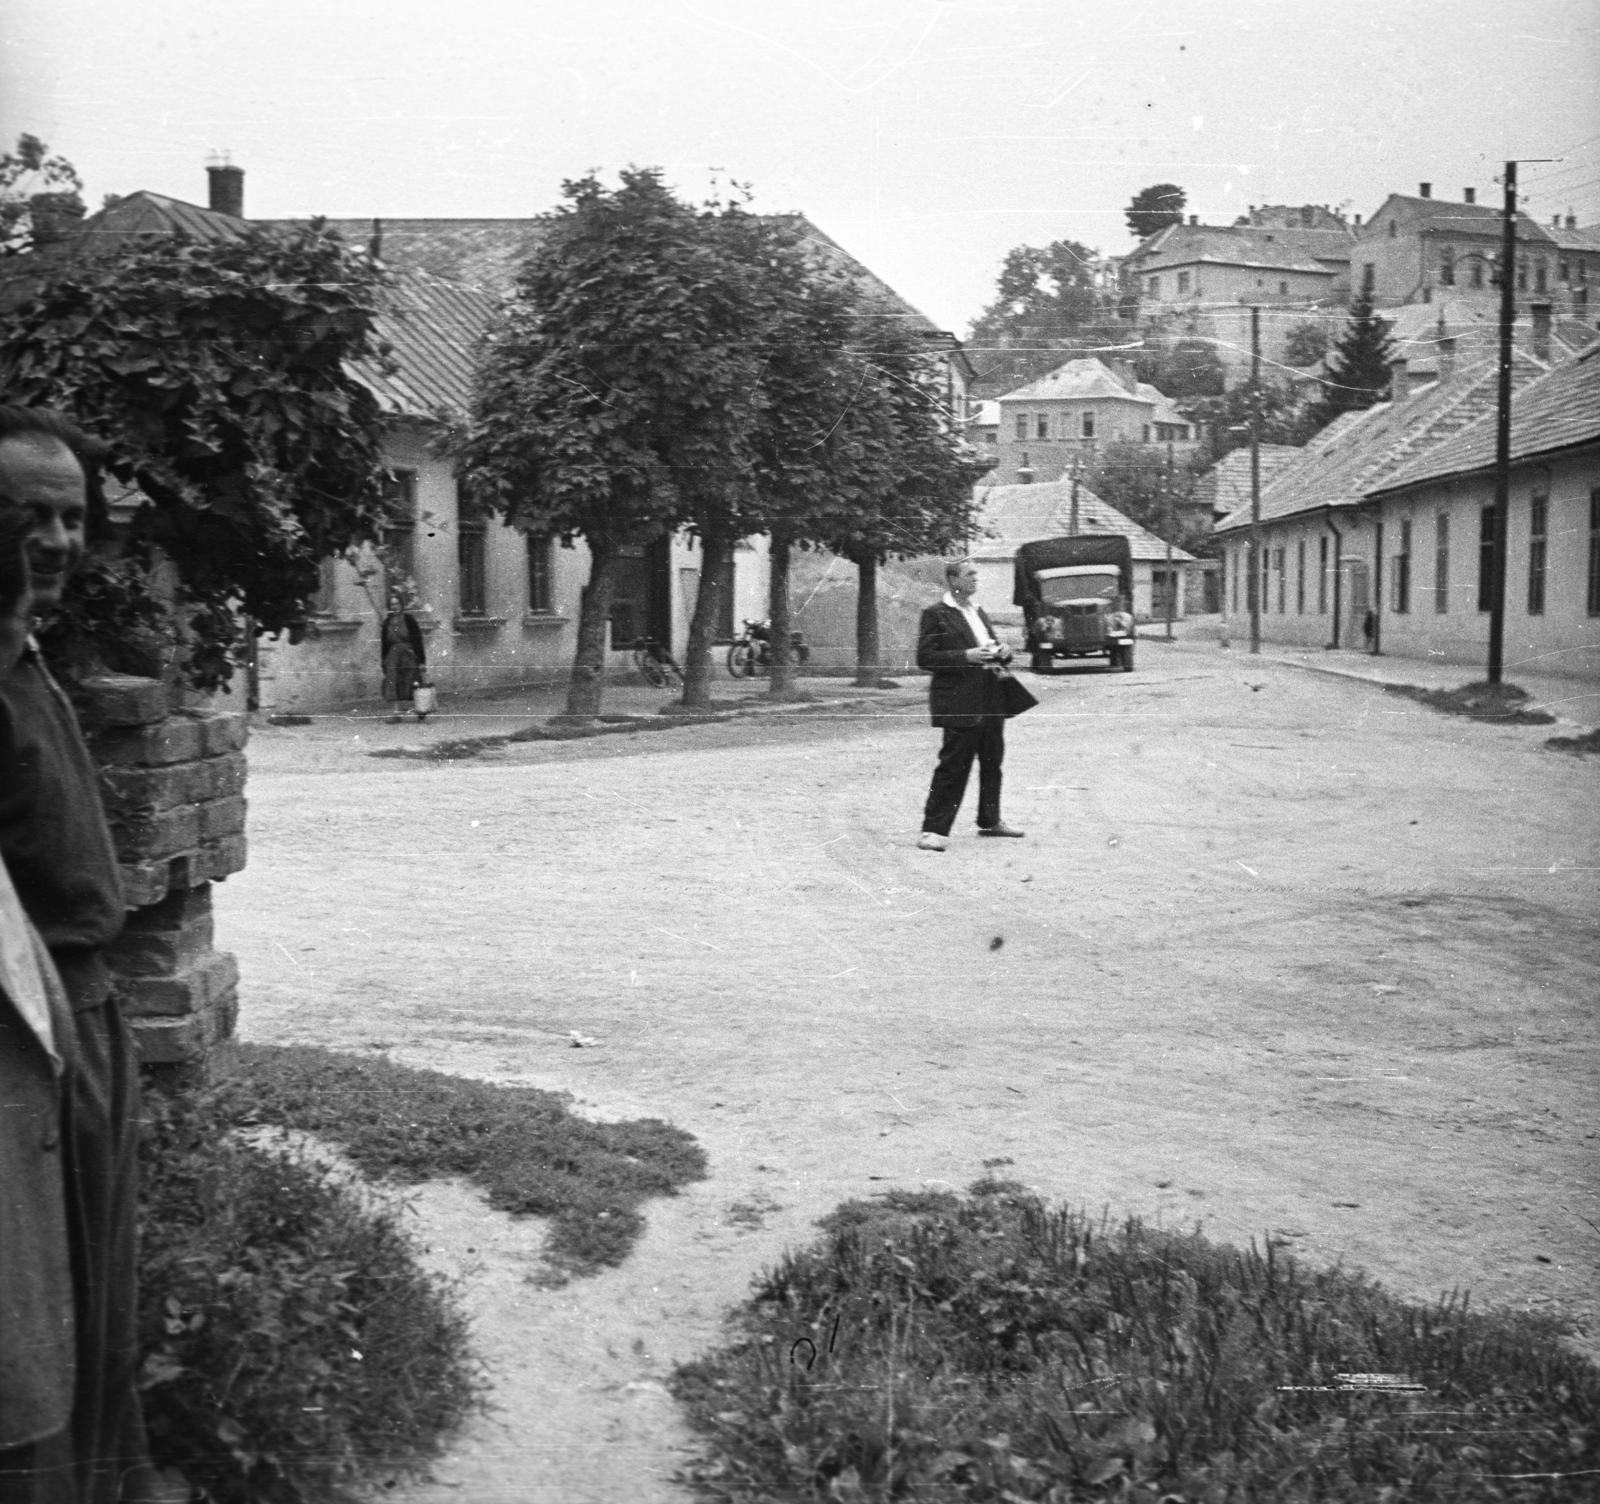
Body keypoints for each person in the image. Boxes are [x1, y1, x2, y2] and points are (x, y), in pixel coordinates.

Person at [0, 407, 186, 1503]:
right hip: (22, 1026)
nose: (61, 540)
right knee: (30, 1320)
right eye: (27, 515)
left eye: (73, 517)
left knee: (93, 1290)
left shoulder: (24, 653)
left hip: (83, 1005)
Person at [915, 558, 1026, 851]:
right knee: (954, 765)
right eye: (969, 574)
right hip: (959, 700)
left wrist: (1003, 651)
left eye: (976, 573)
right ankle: (933, 831)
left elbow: (990, 649)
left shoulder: (979, 612)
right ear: (953, 580)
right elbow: (925, 658)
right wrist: (965, 656)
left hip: (990, 696)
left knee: (993, 762)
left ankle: (990, 821)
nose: (976, 578)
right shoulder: (935, 614)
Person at [379, 594, 427, 721]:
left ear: (401, 605)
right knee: (393, 683)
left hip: (409, 655)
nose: (394, 607)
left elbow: (418, 640)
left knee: (412, 682)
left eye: (397, 604)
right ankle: (396, 714)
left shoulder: (409, 620)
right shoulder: (387, 622)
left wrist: (422, 661)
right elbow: (384, 645)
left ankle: (421, 709)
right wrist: (383, 662)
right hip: (393, 657)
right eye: (392, 604)